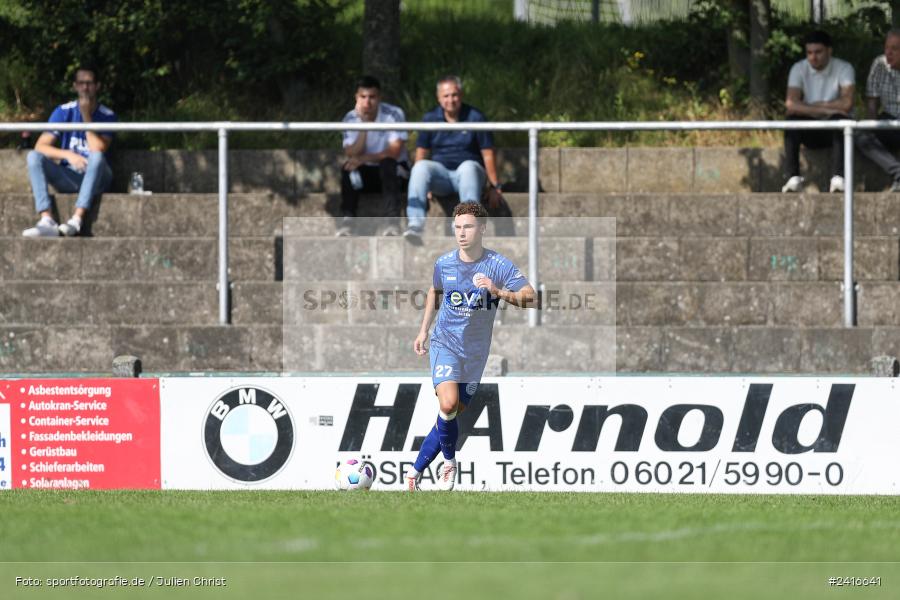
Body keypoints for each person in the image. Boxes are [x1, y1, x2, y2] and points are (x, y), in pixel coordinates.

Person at [405, 202, 535, 491]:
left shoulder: (498, 265)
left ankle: (414, 472)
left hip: (476, 353)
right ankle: (450, 462)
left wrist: (498, 292)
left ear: (482, 229)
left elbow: (531, 297)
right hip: (445, 342)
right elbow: (435, 290)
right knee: (448, 403)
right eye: (458, 227)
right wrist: (423, 330)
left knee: (450, 413)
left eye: (468, 226)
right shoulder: (444, 263)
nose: (461, 233)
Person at [403, 75, 505, 244]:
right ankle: (415, 224)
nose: (451, 100)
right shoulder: (430, 118)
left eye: (454, 95)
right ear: (438, 98)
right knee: (420, 167)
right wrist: (424, 183)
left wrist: (495, 186)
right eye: (446, 96)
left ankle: (465, 225)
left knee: (468, 167)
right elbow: (421, 153)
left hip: (470, 175)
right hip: (441, 176)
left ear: (461, 95)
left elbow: (488, 153)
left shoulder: (475, 117)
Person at [23, 65, 116, 237]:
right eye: (81, 83)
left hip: (98, 176)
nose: (85, 87)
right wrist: (68, 155)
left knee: (96, 157)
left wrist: (86, 115)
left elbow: (98, 148)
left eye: (89, 83)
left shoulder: (107, 115)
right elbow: (40, 146)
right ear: (75, 86)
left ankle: (77, 218)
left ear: (97, 86)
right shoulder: (63, 111)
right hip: (69, 175)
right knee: (33, 156)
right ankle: (47, 220)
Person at [781, 30, 855, 194]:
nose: (813, 57)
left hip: (835, 131)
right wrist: (824, 109)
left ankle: (838, 178)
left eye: (818, 52)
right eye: (809, 52)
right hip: (810, 128)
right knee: (791, 121)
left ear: (829, 51)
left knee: (841, 121)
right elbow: (791, 104)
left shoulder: (844, 68)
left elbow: (847, 104)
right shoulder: (798, 68)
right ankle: (792, 177)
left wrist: (810, 107)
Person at [338, 75, 409, 237]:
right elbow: (351, 153)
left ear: (380, 98)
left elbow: (394, 152)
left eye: (372, 97)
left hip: (395, 173)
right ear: (356, 98)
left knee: (387, 163)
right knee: (348, 169)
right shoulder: (350, 118)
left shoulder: (394, 114)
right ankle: (347, 221)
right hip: (367, 175)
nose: (367, 102)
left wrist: (362, 158)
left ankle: (392, 223)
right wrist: (364, 126)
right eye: (363, 97)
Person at [856, 29, 900, 192]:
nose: (888, 53)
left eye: (894, 49)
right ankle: (898, 172)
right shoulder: (879, 64)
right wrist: (872, 127)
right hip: (889, 121)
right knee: (861, 136)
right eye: (886, 48)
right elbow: (872, 101)